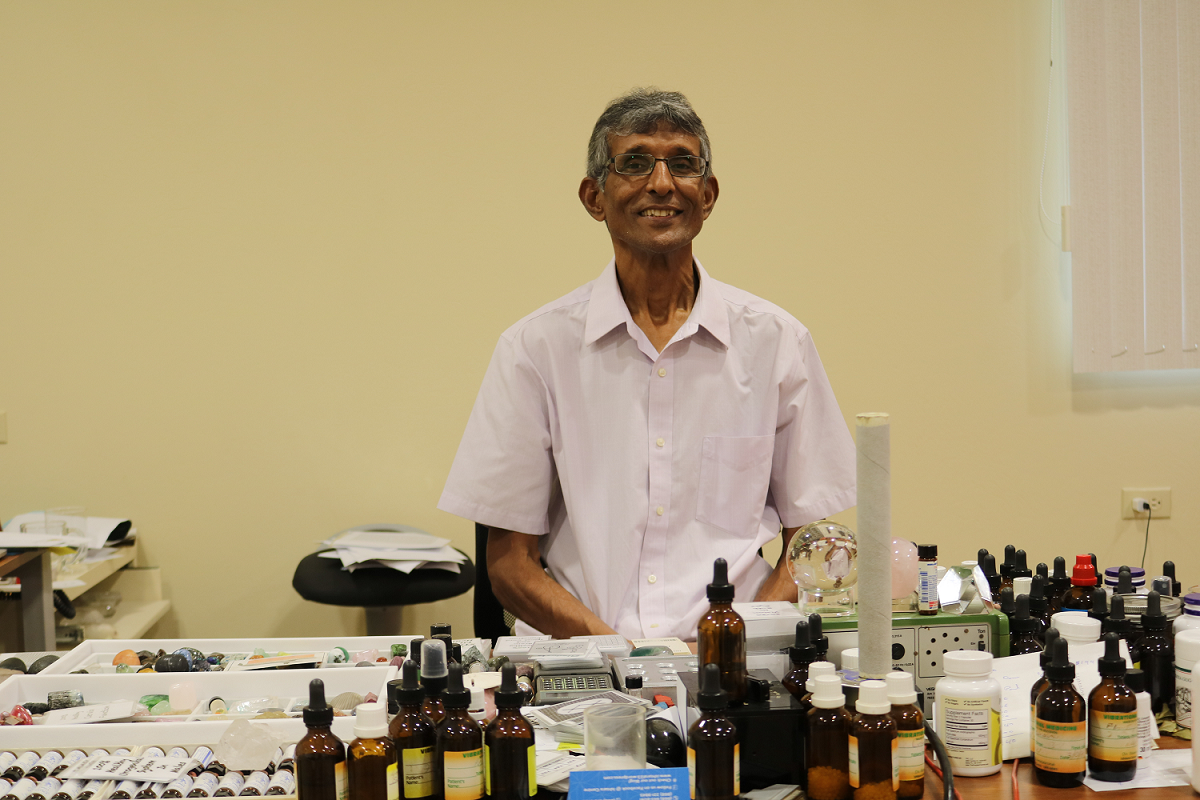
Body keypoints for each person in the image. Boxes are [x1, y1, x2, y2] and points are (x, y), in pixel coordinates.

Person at [438, 88, 855, 641]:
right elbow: (509, 565)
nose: (662, 183)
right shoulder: (536, 349)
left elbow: (814, 542)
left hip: (736, 668)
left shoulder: (776, 342)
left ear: (707, 195)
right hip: (583, 667)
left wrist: (725, 642)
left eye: (682, 164)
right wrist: (622, 657)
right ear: (594, 196)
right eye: (634, 163)